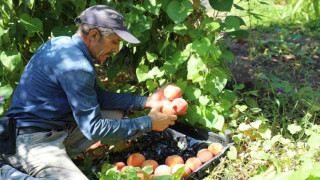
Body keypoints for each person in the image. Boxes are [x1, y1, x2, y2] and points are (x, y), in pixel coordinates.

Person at [0, 5, 177, 180]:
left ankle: (53, 159)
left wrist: (144, 101)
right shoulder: (77, 66)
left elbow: (95, 97)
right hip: (31, 141)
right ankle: (7, 172)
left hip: (48, 128)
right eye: (114, 41)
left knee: (113, 115)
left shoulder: (61, 44)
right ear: (93, 35)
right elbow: (93, 128)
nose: (117, 49)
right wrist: (148, 122)